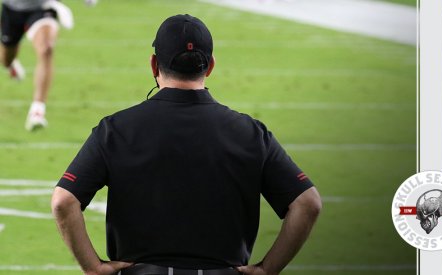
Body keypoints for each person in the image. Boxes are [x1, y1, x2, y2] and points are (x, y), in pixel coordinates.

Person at [51, 14, 322, 275]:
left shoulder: (115, 130)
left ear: (154, 65)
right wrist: (267, 268)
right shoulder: (251, 133)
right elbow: (307, 203)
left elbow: (64, 201)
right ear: (211, 66)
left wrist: (93, 267)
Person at [0, 0, 96, 131]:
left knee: (46, 49)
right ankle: (11, 65)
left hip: (43, 7)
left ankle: (37, 110)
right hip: (12, 8)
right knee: (6, 59)